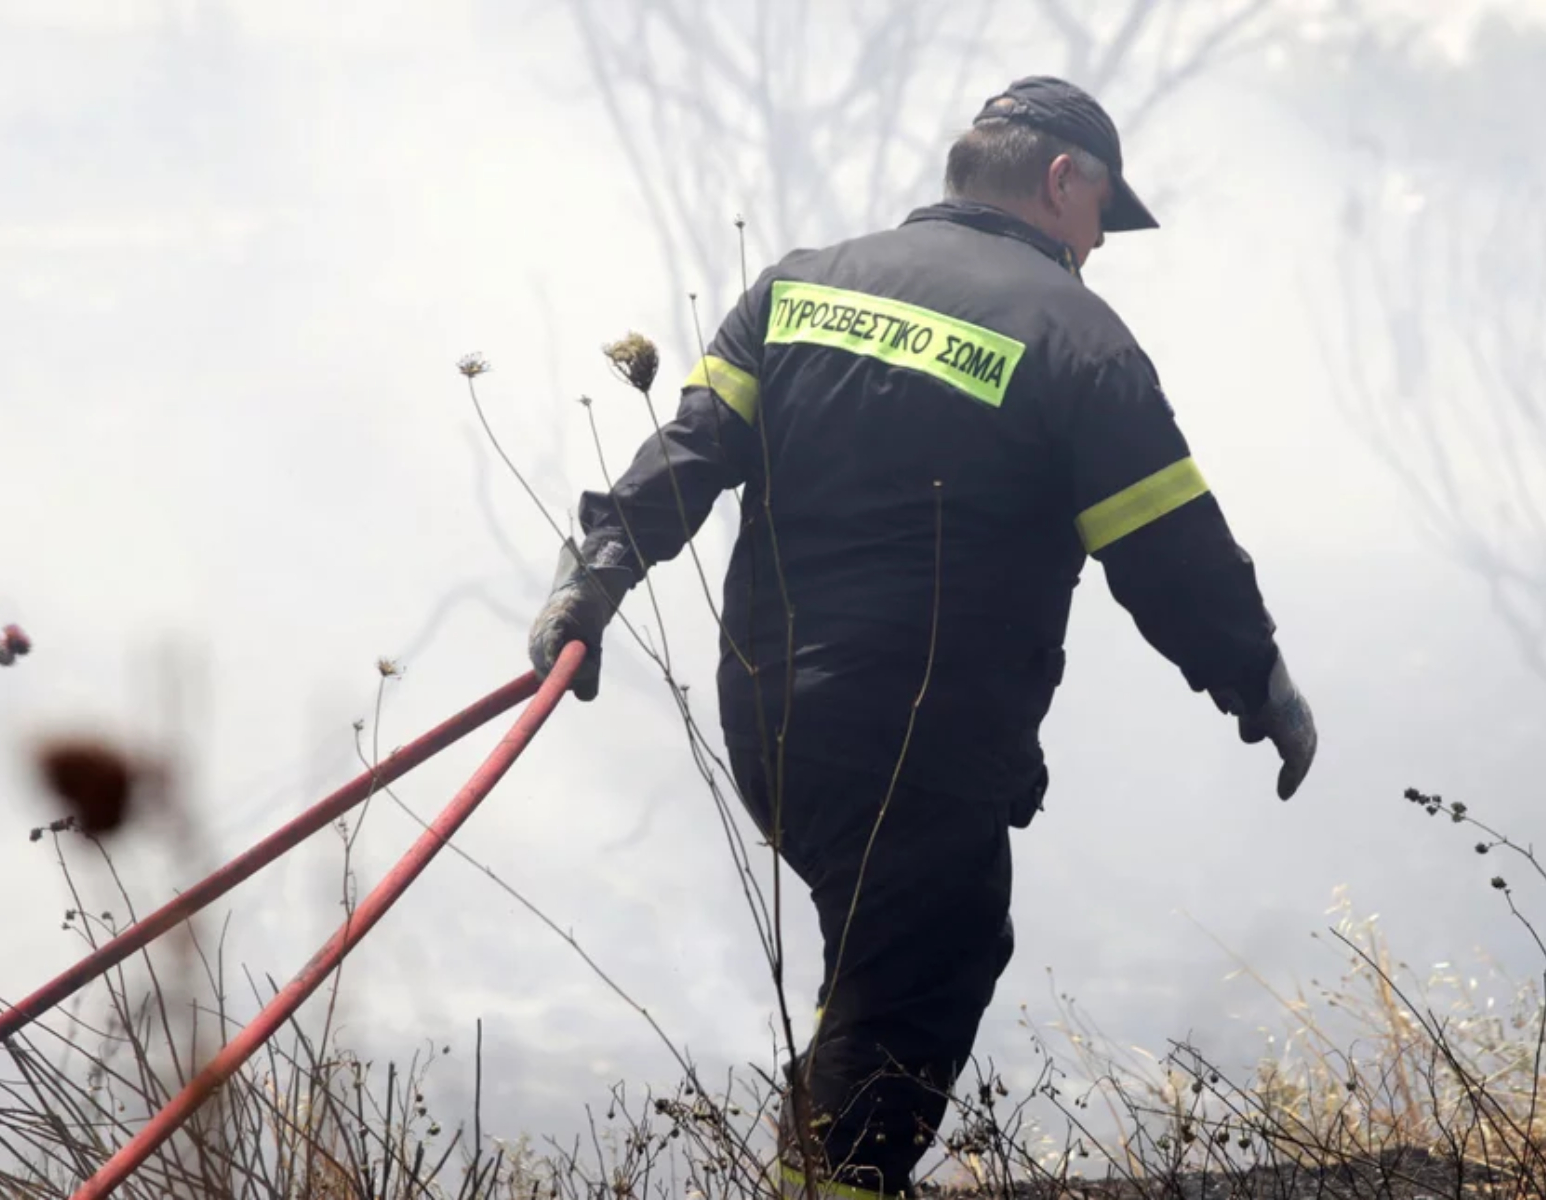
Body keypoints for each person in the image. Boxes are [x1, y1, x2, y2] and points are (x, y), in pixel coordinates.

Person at [527, 74, 1317, 1199]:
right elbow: (1171, 553)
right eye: (1101, 219)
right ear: (1061, 182)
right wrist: (1261, 682)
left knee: (884, 960)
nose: (1097, 248)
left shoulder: (796, 287)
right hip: (917, 737)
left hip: (771, 724)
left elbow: (689, 457)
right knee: (918, 983)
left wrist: (593, 577)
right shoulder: (1074, 336)